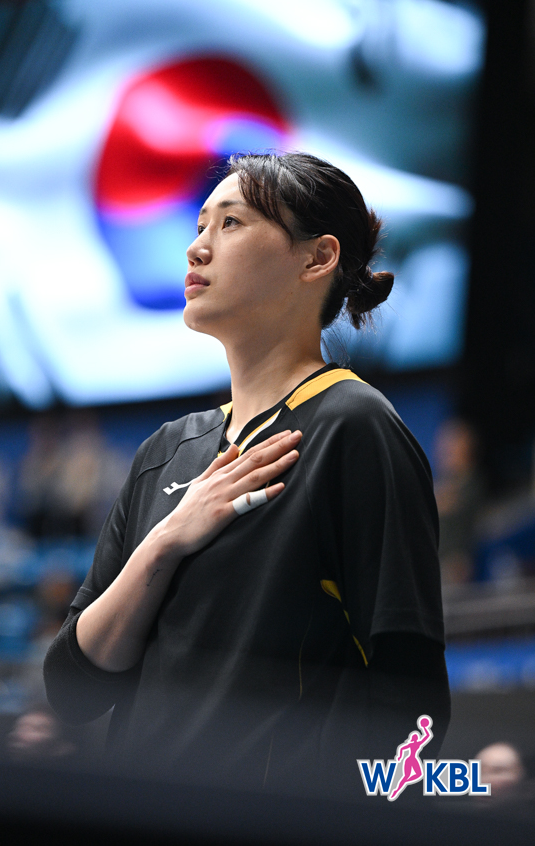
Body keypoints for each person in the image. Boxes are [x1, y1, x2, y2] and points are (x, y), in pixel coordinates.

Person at [44, 152, 450, 798]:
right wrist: (166, 540)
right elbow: (72, 687)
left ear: (317, 258)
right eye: (199, 225)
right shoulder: (164, 453)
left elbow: (414, 705)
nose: (196, 248)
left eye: (230, 223)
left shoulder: (355, 427)